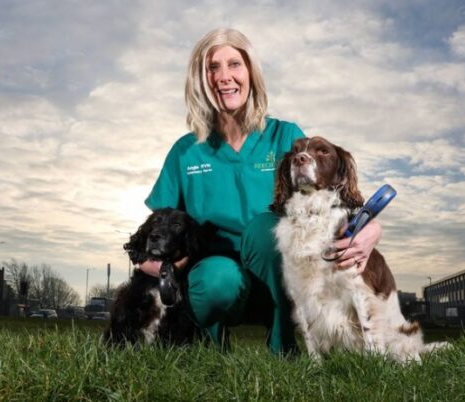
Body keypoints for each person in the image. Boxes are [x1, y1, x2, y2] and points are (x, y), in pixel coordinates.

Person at [139, 28, 382, 355]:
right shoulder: (185, 152)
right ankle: (210, 347)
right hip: (218, 278)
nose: (224, 77)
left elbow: (333, 196)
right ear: (200, 79)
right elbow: (156, 230)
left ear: (250, 72)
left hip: (285, 277)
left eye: (234, 64)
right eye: (213, 67)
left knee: (265, 229)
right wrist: (158, 265)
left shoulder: (287, 136)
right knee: (217, 280)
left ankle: (285, 343)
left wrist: (371, 231)